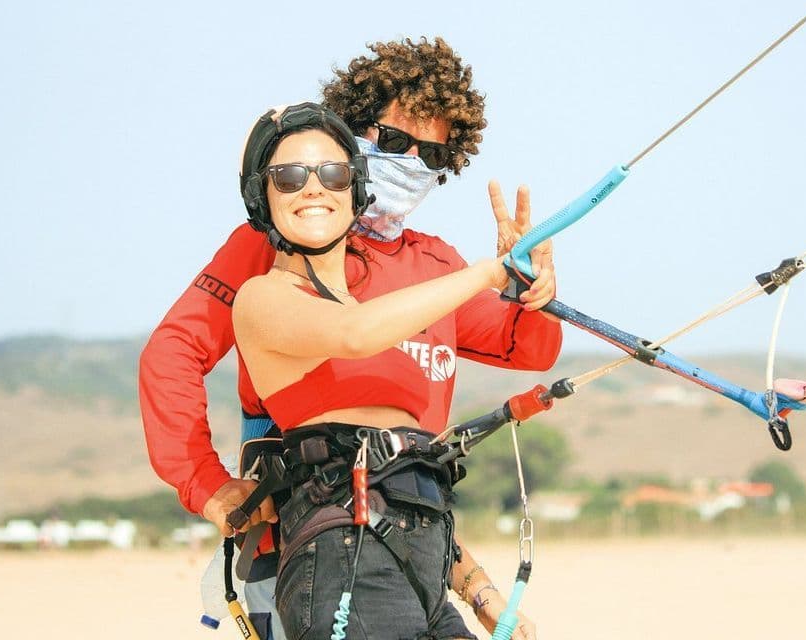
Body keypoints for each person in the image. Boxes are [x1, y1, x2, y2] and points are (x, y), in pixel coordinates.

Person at [139, 37, 561, 639]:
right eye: (392, 140)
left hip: (420, 539)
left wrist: (529, 284)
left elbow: (529, 348)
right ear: (355, 135)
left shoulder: (435, 268)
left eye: (431, 152)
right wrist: (206, 484)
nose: (410, 160)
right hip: (316, 533)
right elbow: (173, 352)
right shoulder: (276, 250)